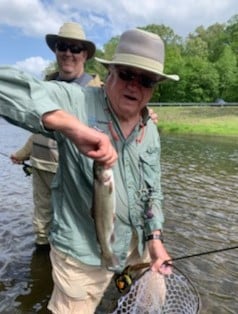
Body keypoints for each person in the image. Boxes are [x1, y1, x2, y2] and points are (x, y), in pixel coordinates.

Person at [0, 28, 179, 313]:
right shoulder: (76, 101)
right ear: (110, 73)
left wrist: (155, 238)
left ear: (154, 86)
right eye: (126, 74)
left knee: (150, 304)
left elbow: (153, 191)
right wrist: (70, 126)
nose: (135, 86)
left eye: (145, 80)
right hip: (80, 254)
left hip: (137, 245)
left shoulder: (151, 130)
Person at [10, 22, 101, 248]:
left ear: (85, 54)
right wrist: (22, 154)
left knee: (75, 226)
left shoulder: (98, 92)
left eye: (76, 48)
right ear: (55, 50)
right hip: (40, 164)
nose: (68, 53)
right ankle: (41, 262)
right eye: (63, 46)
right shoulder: (45, 86)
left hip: (72, 171)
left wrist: (146, 115)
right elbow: (37, 131)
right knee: (42, 223)